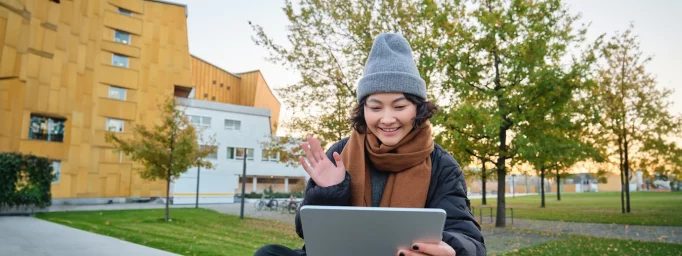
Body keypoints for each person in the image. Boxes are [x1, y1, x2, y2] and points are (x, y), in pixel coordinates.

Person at [254, 33, 485, 256]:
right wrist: (328, 193)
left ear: (418, 108)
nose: (386, 119)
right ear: (363, 110)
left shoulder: (442, 165)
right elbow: (305, 231)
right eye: (375, 107)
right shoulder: (339, 154)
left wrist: (451, 249)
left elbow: (468, 236)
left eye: (399, 106)